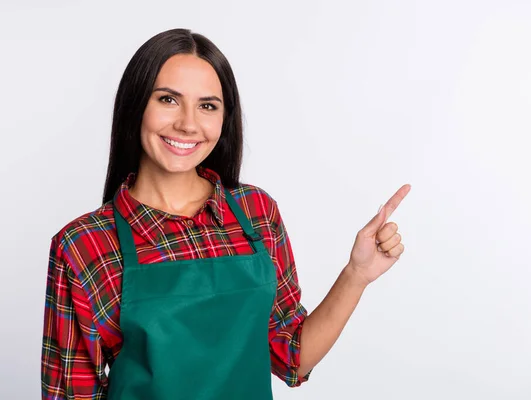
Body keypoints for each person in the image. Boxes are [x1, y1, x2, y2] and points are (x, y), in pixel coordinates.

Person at [41, 28, 411, 399]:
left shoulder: (256, 213)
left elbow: (292, 360)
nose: (188, 123)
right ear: (136, 105)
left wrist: (356, 275)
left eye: (207, 106)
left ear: (224, 119)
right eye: (168, 99)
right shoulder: (83, 245)